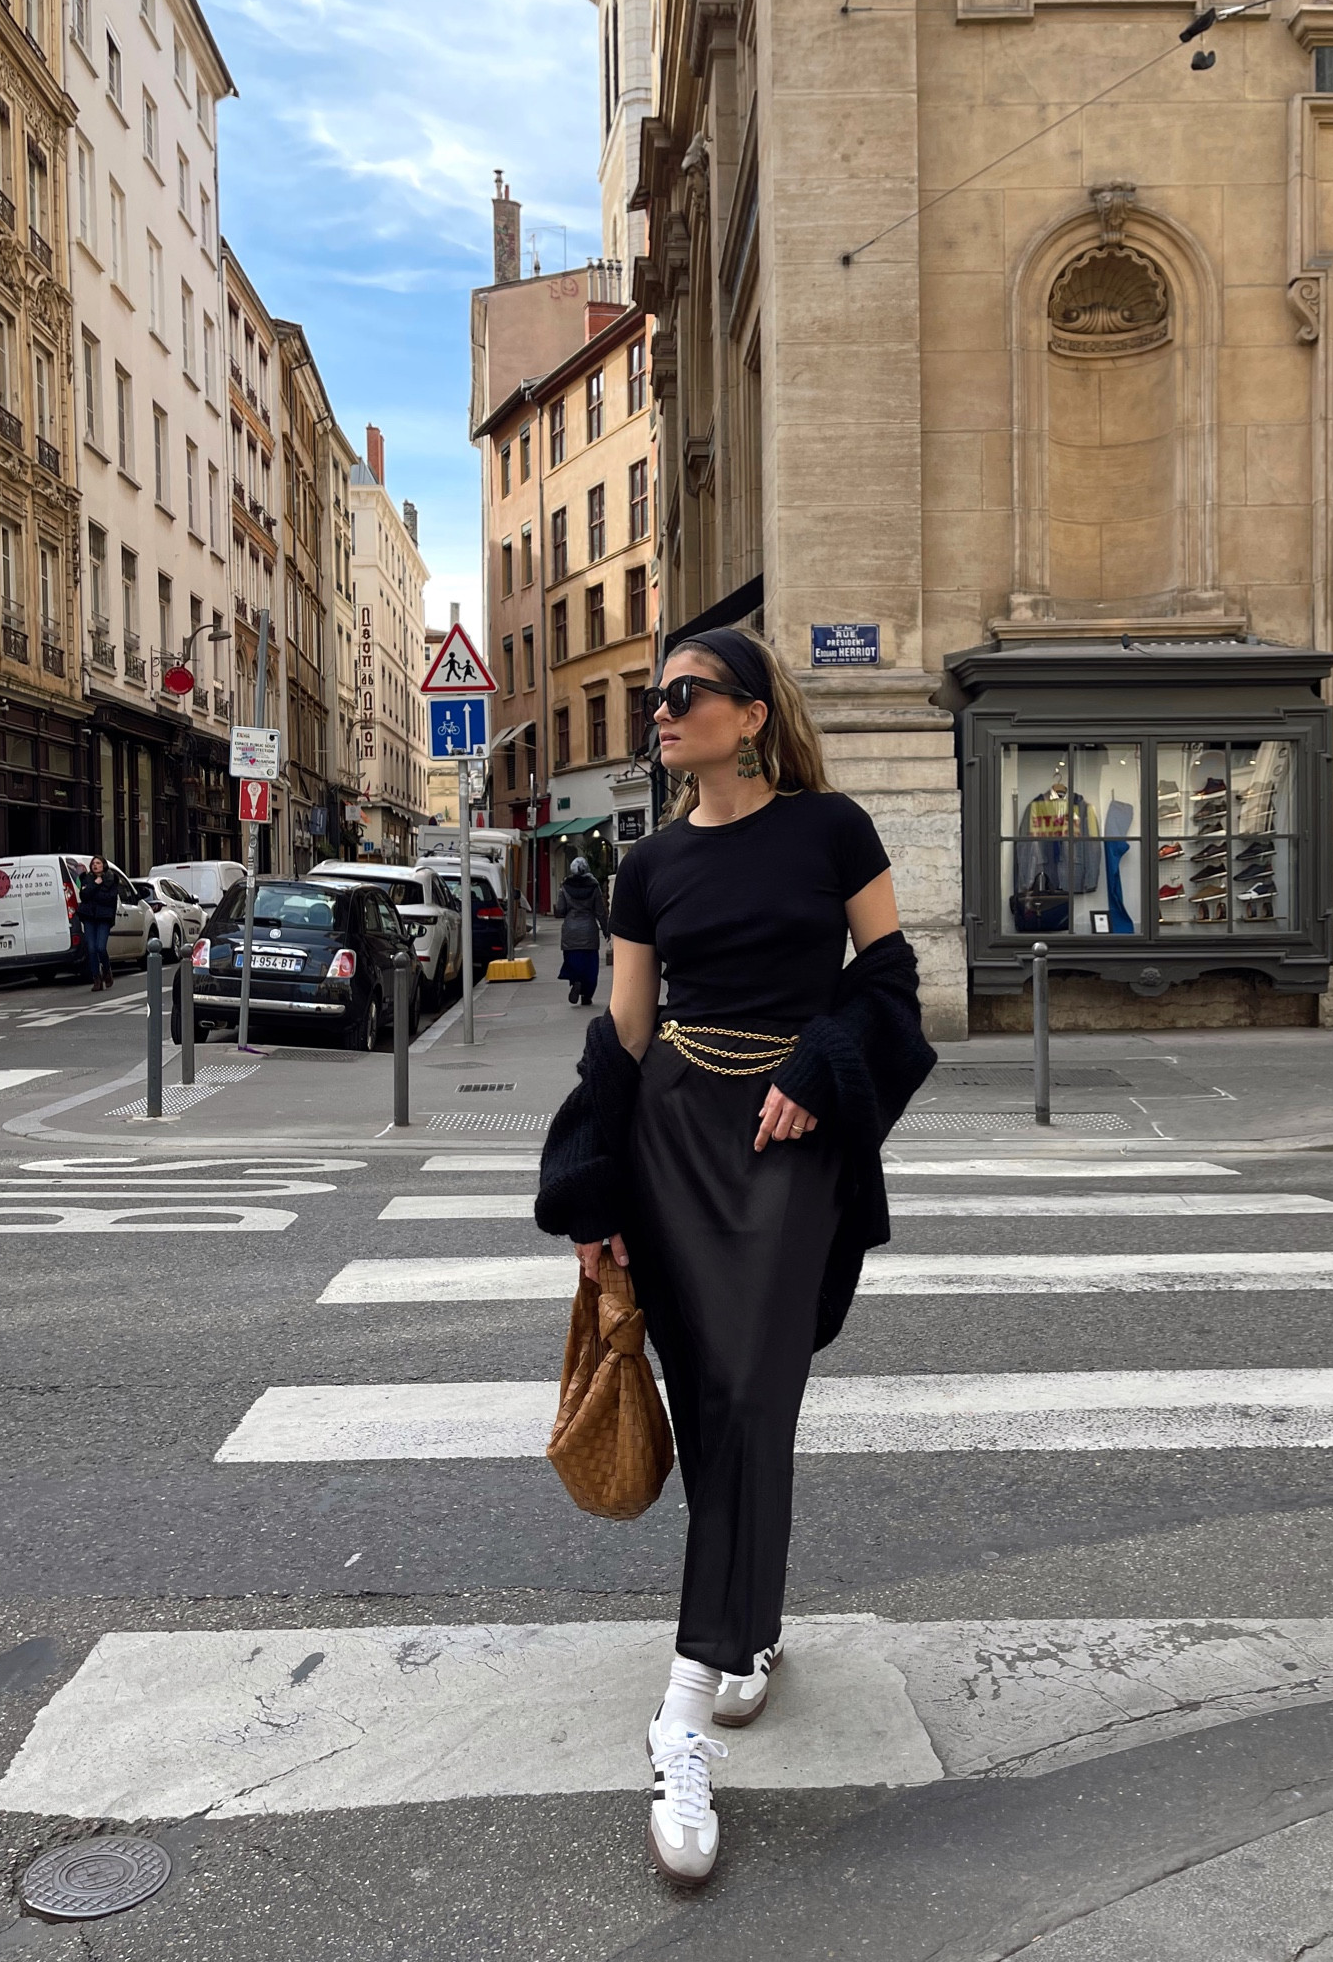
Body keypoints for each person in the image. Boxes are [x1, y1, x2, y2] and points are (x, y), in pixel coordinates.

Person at [535, 625, 935, 1888]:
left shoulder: (833, 831)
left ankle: (681, 1716)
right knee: (717, 1400)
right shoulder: (644, 866)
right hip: (672, 1139)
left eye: (684, 696)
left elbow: (893, 987)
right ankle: (745, 1633)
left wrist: (822, 1070)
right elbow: (623, 1033)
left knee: (755, 1389)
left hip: (790, 1137)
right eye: (656, 700)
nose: (659, 714)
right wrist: (589, 1185)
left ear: (752, 714)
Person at [557, 856, 610, 1006]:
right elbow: (600, 911)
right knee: (590, 965)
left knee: (573, 961)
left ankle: (576, 981)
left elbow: (560, 909)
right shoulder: (594, 886)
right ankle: (587, 995)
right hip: (588, 931)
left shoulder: (565, 886)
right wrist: (606, 931)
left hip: (570, 931)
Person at [77, 856, 120, 991]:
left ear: (104, 865)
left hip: (104, 917)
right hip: (89, 917)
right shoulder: (86, 878)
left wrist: (94, 893)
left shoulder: (111, 878)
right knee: (91, 948)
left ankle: (107, 970)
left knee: (101, 947)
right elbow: (83, 896)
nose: (95, 866)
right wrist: (96, 885)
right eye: (93, 863)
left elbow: (110, 898)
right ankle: (96, 978)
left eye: (98, 863)